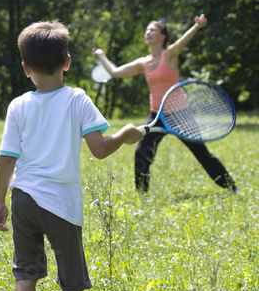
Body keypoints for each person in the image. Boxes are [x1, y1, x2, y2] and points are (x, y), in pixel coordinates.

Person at [0, 20, 143, 291]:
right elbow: (100, 150)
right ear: (67, 62)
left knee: (25, 274)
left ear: (25, 67)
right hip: (61, 204)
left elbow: (7, 158)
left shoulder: (17, 105)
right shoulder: (77, 99)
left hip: (23, 200)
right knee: (72, 280)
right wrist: (126, 134)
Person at [93, 14, 238, 193]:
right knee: (142, 152)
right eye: (147, 30)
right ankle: (142, 194)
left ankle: (232, 188)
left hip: (180, 113)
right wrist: (101, 55)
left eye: (152, 29)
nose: (148, 32)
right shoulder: (143, 63)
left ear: (163, 36)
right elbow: (115, 72)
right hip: (157, 114)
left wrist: (197, 27)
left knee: (202, 154)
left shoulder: (169, 54)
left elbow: (181, 42)